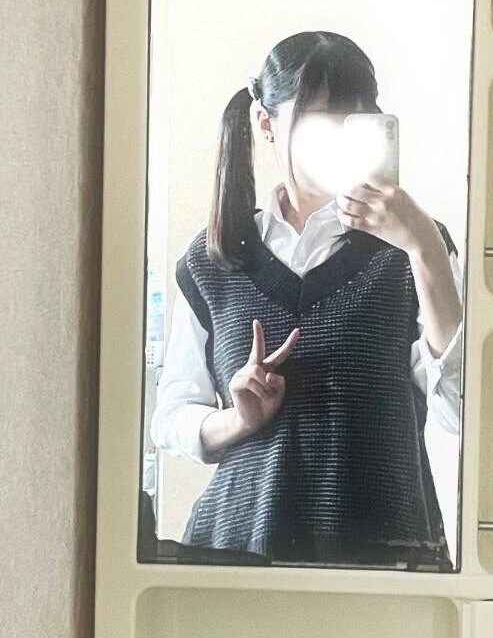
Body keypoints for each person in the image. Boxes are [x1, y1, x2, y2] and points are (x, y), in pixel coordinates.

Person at [150, 30, 463, 570]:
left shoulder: (413, 250)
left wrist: (425, 248)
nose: (337, 141)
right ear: (266, 124)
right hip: (236, 556)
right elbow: (172, 416)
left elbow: (462, 412)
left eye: (354, 122)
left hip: (384, 562)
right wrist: (239, 418)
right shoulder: (212, 258)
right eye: (319, 123)